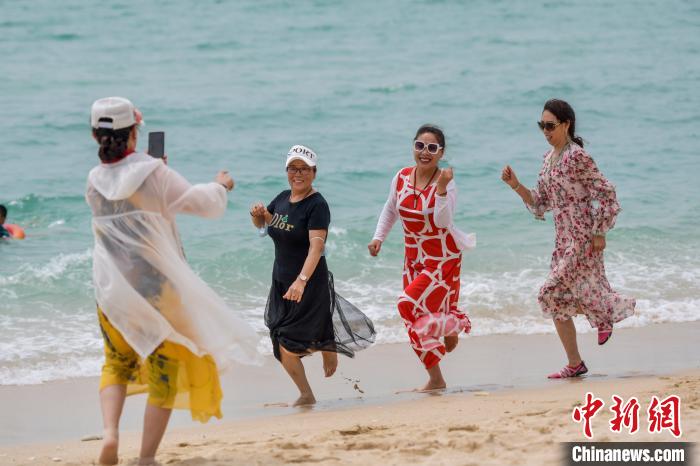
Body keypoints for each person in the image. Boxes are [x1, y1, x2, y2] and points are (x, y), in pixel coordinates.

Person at [86, 97, 261, 465]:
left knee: (115, 363)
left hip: (112, 291)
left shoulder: (94, 181)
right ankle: (146, 457)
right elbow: (203, 205)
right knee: (165, 370)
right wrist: (221, 185)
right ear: (135, 131)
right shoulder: (153, 173)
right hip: (155, 291)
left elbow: (127, 213)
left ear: (95, 135)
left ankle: (110, 435)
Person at [501, 98, 635, 379]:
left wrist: (600, 231)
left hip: (582, 237)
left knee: (548, 291)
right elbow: (540, 204)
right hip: (562, 240)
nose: (545, 131)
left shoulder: (577, 156)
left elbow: (607, 193)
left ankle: (604, 315)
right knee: (557, 300)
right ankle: (576, 363)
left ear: (566, 125)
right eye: (542, 126)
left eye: (550, 126)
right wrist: (515, 186)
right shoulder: (548, 159)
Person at [250, 144, 375, 406]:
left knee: (288, 343)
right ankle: (315, 368)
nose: (298, 174)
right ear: (286, 171)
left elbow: (316, 246)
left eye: (304, 169)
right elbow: (268, 226)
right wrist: (259, 216)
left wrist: (301, 281)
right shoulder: (283, 198)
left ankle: (319, 359)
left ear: (314, 172)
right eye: (293, 168)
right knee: (278, 338)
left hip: (307, 282)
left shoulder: (317, 205)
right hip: (282, 281)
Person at [368, 124, 475, 391]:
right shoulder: (402, 177)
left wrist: (440, 190)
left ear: (441, 153)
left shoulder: (447, 184)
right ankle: (439, 365)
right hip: (413, 258)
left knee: (405, 304)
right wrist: (378, 237)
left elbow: (442, 221)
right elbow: (391, 208)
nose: (424, 152)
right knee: (414, 313)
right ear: (413, 146)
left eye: (431, 148)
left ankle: (453, 326)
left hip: (441, 258)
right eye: (419, 146)